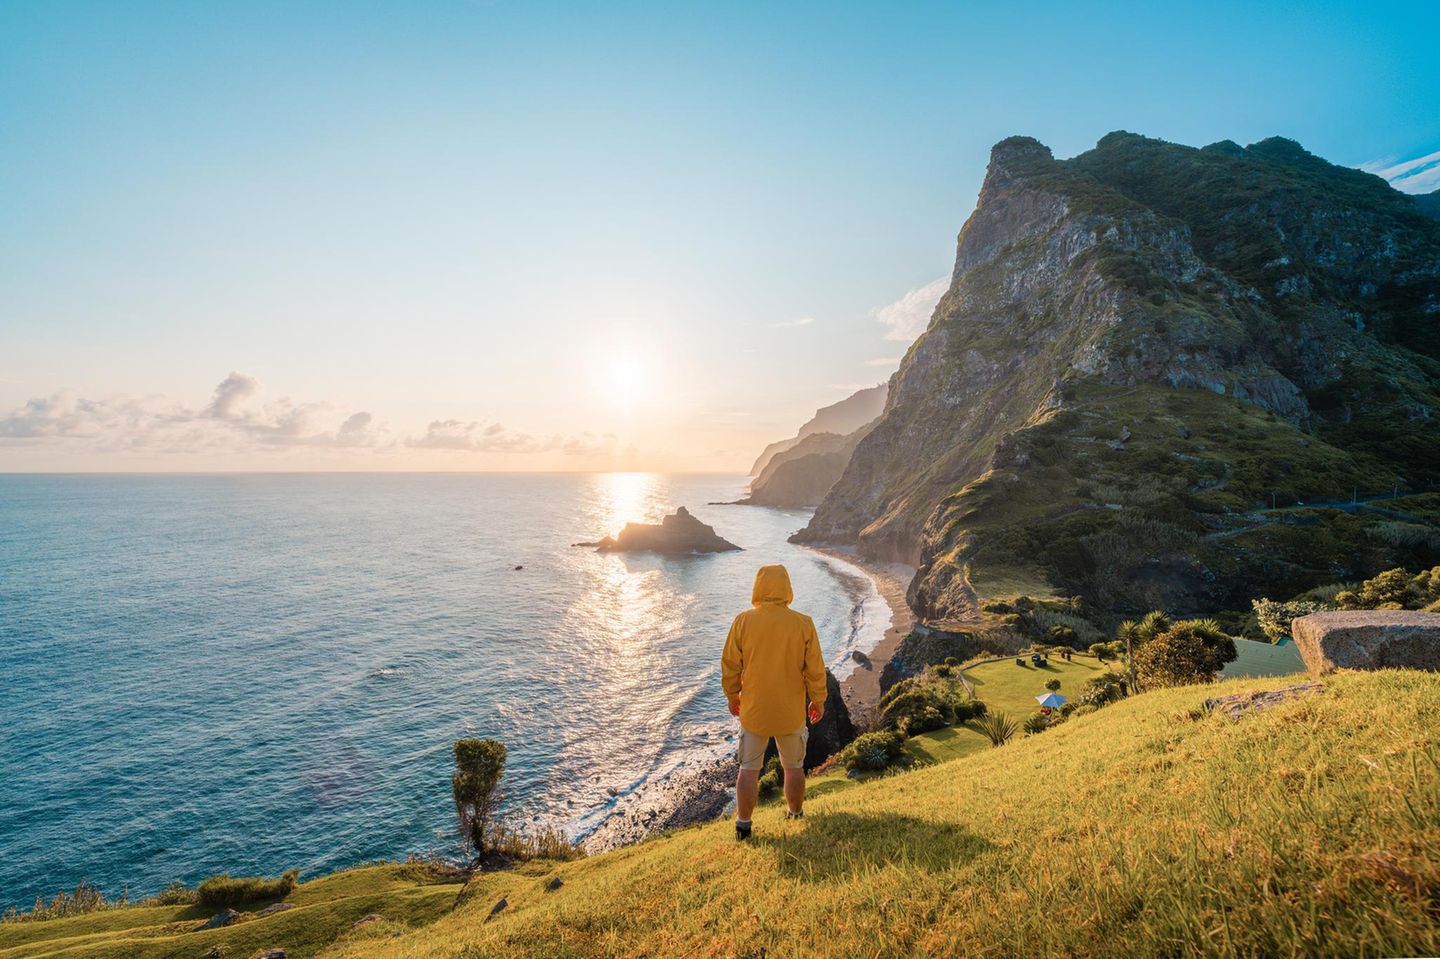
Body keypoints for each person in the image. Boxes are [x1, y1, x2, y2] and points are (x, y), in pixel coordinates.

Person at [721, 564, 827, 840]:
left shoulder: (743, 621)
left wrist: (733, 696)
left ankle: (743, 825)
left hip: (754, 710)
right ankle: (795, 814)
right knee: (793, 767)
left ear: (758, 587)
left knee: (748, 769)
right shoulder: (803, 623)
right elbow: (815, 668)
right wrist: (818, 700)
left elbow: (730, 665)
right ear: (786, 588)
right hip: (790, 711)